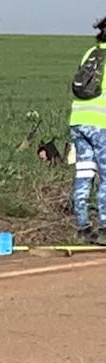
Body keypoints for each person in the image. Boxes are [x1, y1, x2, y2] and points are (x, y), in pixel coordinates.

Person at [69, 16, 106, 241]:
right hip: (101, 124)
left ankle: (83, 228)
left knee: (84, 174)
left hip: (78, 120)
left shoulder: (90, 54)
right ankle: (105, 228)